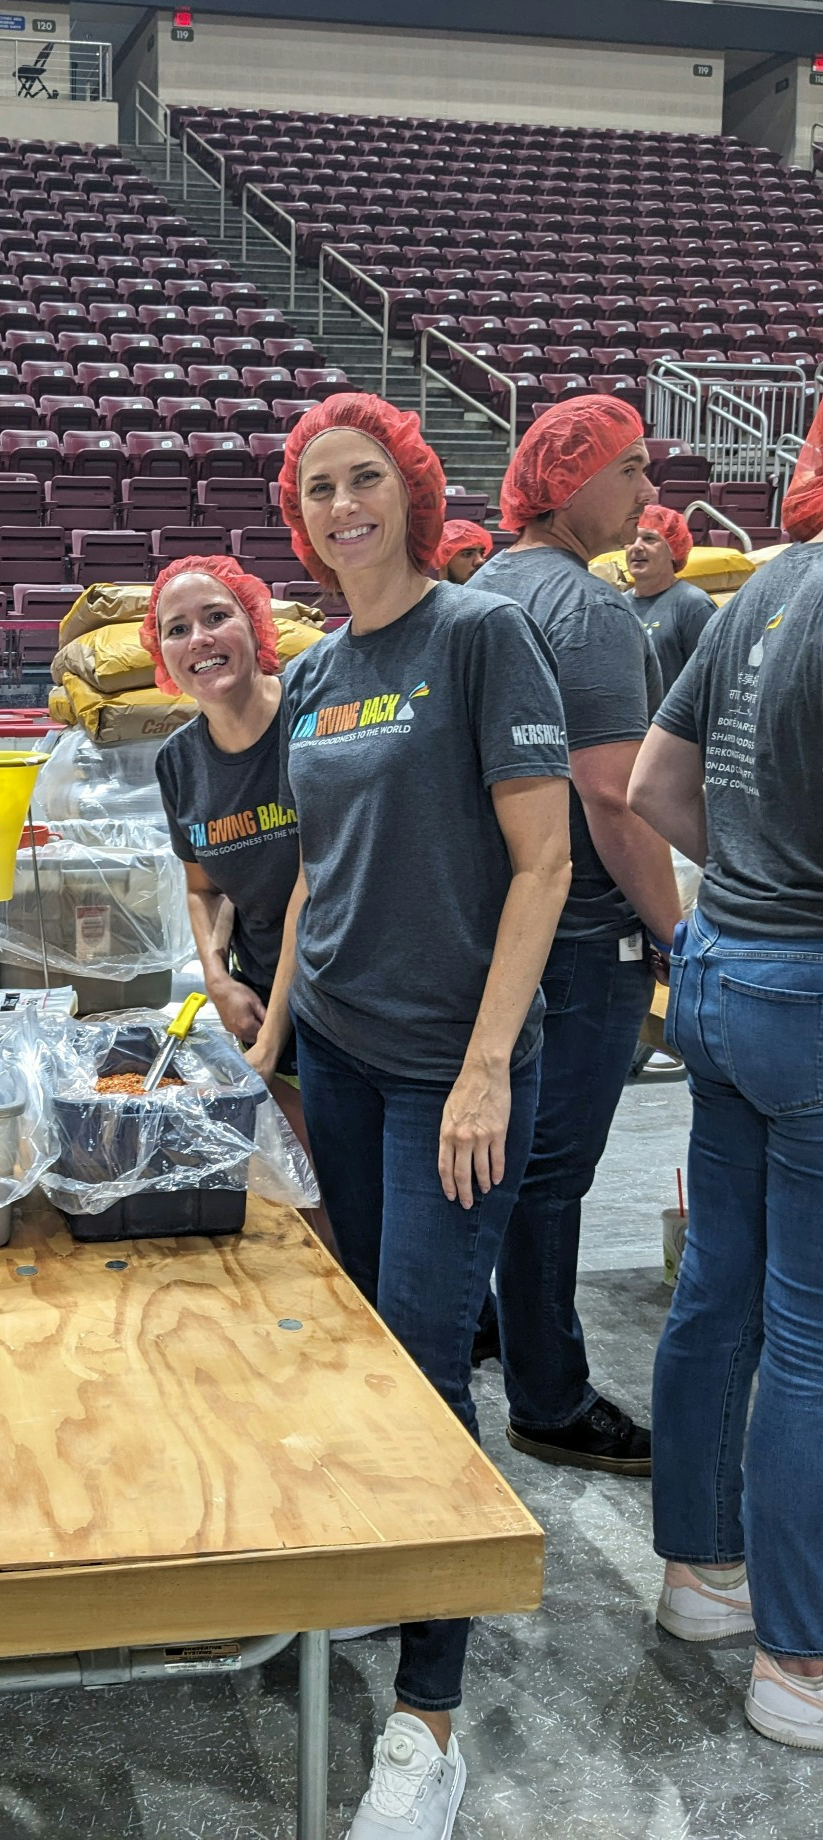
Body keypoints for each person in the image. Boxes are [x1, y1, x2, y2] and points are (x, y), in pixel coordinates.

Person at [249, 393, 573, 1840]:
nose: (340, 506)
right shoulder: (318, 670)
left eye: (364, 479)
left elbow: (547, 865)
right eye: (317, 488)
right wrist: (275, 1034)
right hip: (342, 1055)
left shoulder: (481, 634)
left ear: (414, 489)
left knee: (431, 1370)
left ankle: (427, 1718)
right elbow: (322, 865)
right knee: (363, 1351)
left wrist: (491, 1066)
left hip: (454, 1071)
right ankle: (388, 1580)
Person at [629, 432, 823, 1749]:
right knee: (811, 1335)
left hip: (721, 966)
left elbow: (653, 786)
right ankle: (800, 1665)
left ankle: (699, 1575)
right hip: (808, 994)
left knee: (721, 1292)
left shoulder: (763, 578)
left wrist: (751, 887)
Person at [475, 396, 682, 1477]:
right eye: (633, 469)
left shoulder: (482, 590)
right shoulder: (590, 614)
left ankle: (488, 1320)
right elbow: (614, 800)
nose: (650, 493)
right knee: (553, 1170)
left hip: (501, 921)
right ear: (569, 481)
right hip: (581, 931)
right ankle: (549, 1396)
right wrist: (677, 930)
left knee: (501, 1152)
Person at [141, 554, 314, 1170]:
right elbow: (202, 888)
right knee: (309, 1198)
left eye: (217, 616)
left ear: (255, 623)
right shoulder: (179, 762)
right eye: (177, 628)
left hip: (340, 1001)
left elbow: (314, 885)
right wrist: (216, 978)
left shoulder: (311, 721)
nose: (200, 640)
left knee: (357, 1199)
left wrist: (272, 1043)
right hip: (265, 994)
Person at [624, 503, 716, 695]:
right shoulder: (618, 605)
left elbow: (710, 679)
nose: (637, 547)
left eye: (649, 539)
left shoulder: (693, 605)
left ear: (673, 550)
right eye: (631, 539)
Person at [437, 518, 492, 585]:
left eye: (482, 553)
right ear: (442, 559)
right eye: (467, 554)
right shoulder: (425, 595)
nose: (480, 561)